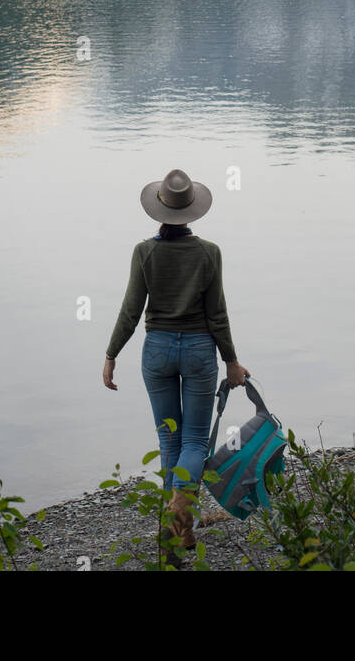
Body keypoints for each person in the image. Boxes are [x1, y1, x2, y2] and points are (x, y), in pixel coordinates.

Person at [102, 168, 249, 551]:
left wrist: (111, 354)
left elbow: (131, 310)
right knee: (195, 439)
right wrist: (231, 361)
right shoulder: (208, 252)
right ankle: (180, 517)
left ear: (157, 209)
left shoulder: (144, 251)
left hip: (158, 351)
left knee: (170, 438)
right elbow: (217, 313)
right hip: (200, 350)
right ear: (193, 211)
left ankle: (173, 525)